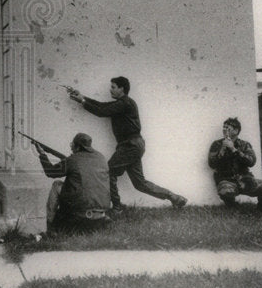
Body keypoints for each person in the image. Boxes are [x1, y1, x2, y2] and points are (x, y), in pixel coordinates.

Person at [68, 76, 187, 213]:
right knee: (140, 184)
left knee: (109, 172)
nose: (110, 90)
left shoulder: (125, 103)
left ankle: (117, 208)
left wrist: (82, 101)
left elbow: (102, 111)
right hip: (134, 145)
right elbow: (102, 106)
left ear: (121, 88)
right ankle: (175, 198)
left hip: (130, 145)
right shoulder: (121, 103)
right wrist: (83, 97)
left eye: (113, 87)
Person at [34, 132, 112, 232]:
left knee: (57, 184)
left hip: (80, 217)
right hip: (101, 215)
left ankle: (49, 225)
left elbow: (50, 172)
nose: (71, 148)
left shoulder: (72, 160)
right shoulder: (101, 158)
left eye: (73, 145)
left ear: (78, 147)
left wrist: (42, 154)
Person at [208, 117, 262, 213]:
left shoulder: (245, 144)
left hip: (246, 179)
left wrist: (234, 150)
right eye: (223, 127)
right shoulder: (217, 144)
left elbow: (251, 161)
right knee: (226, 192)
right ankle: (233, 207)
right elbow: (211, 164)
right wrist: (222, 149)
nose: (224, 130)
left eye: (228, 128)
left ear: (236, 130)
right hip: (227, 179)